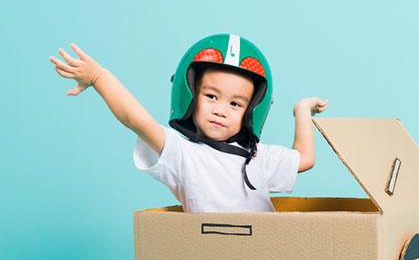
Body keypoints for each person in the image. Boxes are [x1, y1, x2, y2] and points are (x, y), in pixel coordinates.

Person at [49, 33, 328, 212]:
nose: (221, 110)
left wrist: (302, 111)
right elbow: (135, 119)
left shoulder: (257, 156)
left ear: (251, 111)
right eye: (211, 96)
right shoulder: (181, 153)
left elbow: (304, 158)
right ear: (191, 96)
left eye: (235, 104)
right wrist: (98, 76)